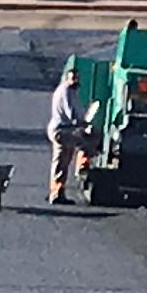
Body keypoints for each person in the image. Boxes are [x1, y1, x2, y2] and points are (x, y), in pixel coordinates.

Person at [46, 69, 95, 204]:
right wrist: (84, 125)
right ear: (67, 79)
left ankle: (56, 192)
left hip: (64, 130)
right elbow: (72, 114)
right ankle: (82, 169)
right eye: (72, 78)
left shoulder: (69, 91)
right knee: (88, 142)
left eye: (77, 79)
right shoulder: (66, 91)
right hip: (62, 131)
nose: (75, 81)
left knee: (62, 161)